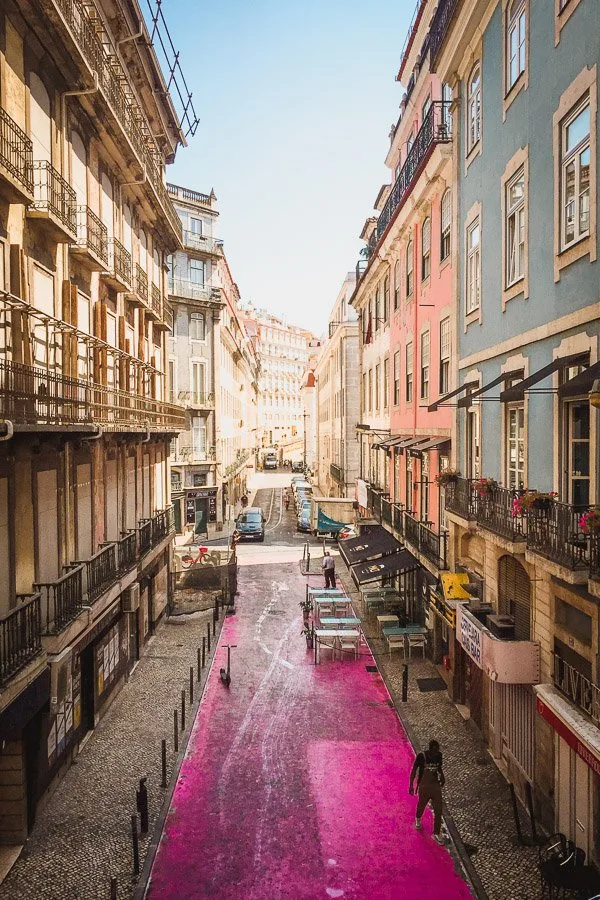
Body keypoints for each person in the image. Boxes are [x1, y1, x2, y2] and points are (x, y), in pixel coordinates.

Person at [409, 739, 447, 844]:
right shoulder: (422, 756)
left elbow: (439, 767)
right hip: (424, 785)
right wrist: (411, 784)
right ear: (431, 749)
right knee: (421, 804)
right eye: (435, 750)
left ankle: (436, 832)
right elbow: (414, 769)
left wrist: (442, 776)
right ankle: (418, 818)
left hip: (435, 785)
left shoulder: (439, 756)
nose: (436, 752)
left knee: (438, 809)